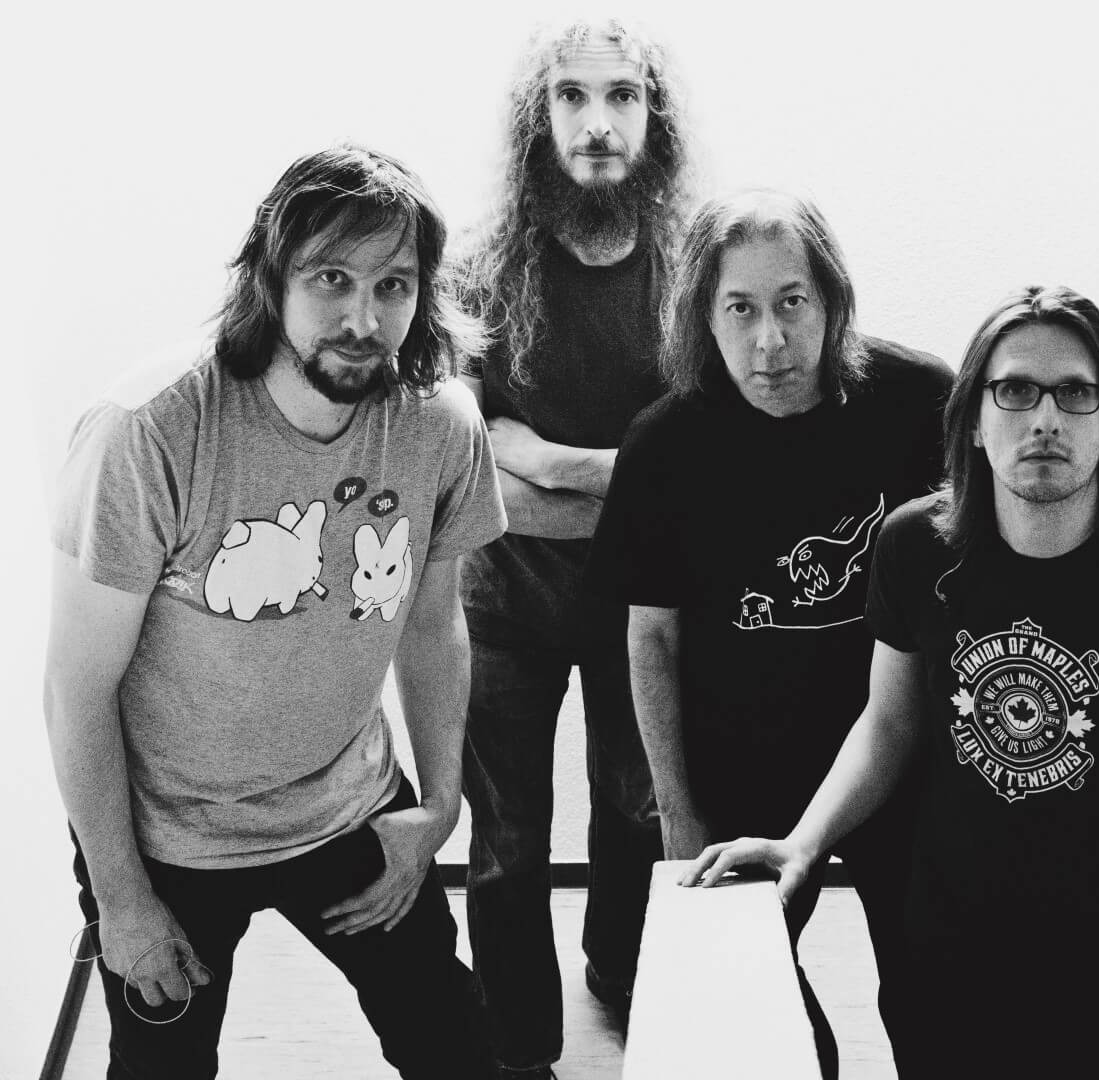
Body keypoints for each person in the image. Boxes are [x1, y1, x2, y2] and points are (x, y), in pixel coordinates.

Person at [683, 285, 1099, 1078]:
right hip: (943, 942)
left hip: (1098, 957)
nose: (1045, 418)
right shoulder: (913, 547)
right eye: (1015, 390)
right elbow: (888, 725)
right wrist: (804, 844)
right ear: (975, 420)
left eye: (1076, 393)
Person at [43, 145, 504, 1079]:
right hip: (169, 838)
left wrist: (440, 806)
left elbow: (431, 625)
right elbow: (75, 689)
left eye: (393, 284)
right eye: (332, 278)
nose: (364, 319)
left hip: (348, 806)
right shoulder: (150, 431)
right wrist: (122, 899)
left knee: (453, 1046)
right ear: (270, 277)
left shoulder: (440, 425)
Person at [586, 189, 953, 1076]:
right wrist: (680, 814)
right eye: (740, 309)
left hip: (895, 752)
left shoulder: (920, 402)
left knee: (931, 998)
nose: (770, 341)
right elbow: (651, 639)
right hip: (741, 770)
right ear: (703, 319)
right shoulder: (664, 444)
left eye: (792, 302)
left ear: (832, 302)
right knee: (747, 1009)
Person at [450, 16, 699, 1075]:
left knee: (637, 817)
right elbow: (471, 477)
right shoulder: (476, 270)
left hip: (644, 605)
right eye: (572, 96)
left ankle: (623, 974)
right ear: (538, 117)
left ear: (655, 116)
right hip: (503, 604)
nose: (598, 123)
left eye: (622, 96)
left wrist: (542, 459)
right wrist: (623, 475)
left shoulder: (695, 268)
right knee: (506, 841)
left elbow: (700, 473)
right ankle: (520, 1042)